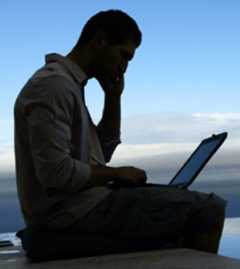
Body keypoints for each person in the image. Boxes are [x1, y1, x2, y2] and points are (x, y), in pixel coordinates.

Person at [14, 9, 226, 254]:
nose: (124, 67)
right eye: (123, 55)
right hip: (70, 214)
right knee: (209, 208)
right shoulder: (53, 86)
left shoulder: (69, 86)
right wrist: (116, 173)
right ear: (100, 40)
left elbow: (100, 155)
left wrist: (113, 99)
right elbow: (55, 173)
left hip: (80, 206)